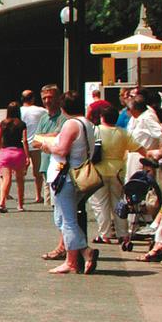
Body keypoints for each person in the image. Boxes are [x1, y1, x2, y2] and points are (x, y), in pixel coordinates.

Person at [34, 90, 94, 275]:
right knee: (62, 218)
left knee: (67, 220)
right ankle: (80, 253)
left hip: (65, 176)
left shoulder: (71, 125)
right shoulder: (87, 124)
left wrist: (46, 145)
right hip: (75, 173)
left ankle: (75, 258)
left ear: (63, 106)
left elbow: (62, 149)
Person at [91, 101, 134, 245]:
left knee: (100, 204)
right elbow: (139, 148)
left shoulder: (96, 130)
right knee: (118, 203)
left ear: (102, 117)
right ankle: (123, 234)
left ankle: (105, 234)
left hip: (99, 170)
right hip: (118, 170)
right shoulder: (122, 133)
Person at [24, 85, 57, 204]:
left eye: (51, 97)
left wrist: (44, 138)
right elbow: (36, 141)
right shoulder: (43, 116)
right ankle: (38, 196)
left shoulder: (63, 117)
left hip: (60, 168)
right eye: (44, 98)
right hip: (43, 160)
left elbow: (61, 137)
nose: (47, 101)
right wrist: (53, 136)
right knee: (37, 174)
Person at [0, 102, 30, 212]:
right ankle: (20, 205)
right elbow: (24, 140)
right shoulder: (22, 124)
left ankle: (2, 203)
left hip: (5, 153)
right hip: (18, 153)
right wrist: (27, 156)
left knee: (6, 179)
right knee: (20, 180)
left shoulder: (3, 123)